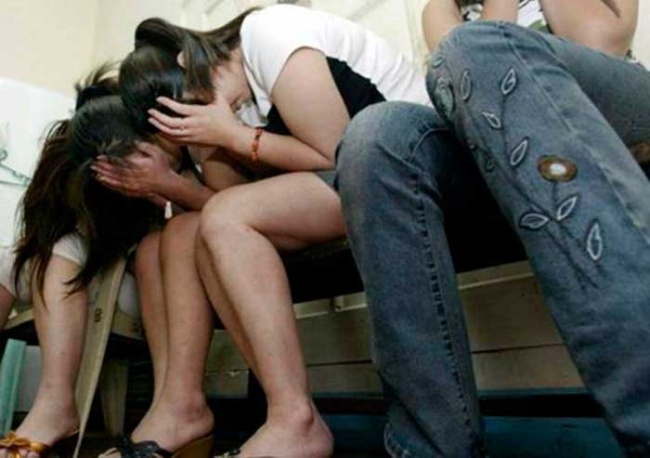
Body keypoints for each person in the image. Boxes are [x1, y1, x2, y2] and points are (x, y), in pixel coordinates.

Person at [109, 4, 431, 456]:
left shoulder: (266, 34)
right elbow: (226, 195)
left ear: (187, 61)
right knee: (190, 230)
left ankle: (294, 419)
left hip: (406, 162)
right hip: (356, 180)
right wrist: (211, 141)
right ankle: (203, 410)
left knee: (223, 217)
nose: (202, 113)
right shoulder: (236, 100)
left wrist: (229, 135)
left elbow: (338, 154)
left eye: (193, 104)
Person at [336, 0, 650, 456]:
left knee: (475, 47)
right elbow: (460, 92)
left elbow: (599, 40)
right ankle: (431, 449)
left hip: (614, 102)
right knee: (376, 135)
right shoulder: (441, 8)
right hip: (494, 133)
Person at [0, 68, 179, 458]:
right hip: (76, 269)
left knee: (64, 247)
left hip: (129, 281)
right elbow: (41, 235)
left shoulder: (159, 154)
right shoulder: (68, 161)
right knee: (9, 257)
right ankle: (53, 408)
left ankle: (55, 405)